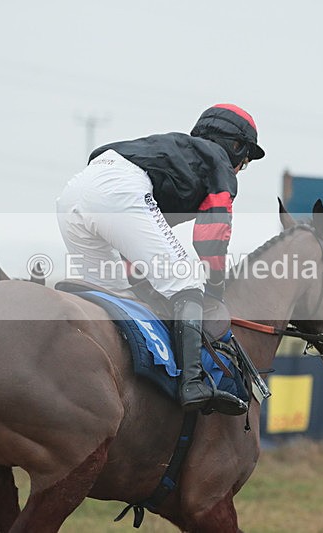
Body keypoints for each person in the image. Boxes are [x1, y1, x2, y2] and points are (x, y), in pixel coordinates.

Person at [56, 104, 264, 416]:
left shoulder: (176, 155)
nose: (239, 169)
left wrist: (145, 285)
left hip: (74, 192)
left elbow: (136, 243)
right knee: (186, 282)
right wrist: (213, 288)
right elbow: (211, 235)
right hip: (119, 190)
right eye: (244, 162)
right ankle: (193, 383)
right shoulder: (218, 161)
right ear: (235, 147)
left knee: (112, 296)